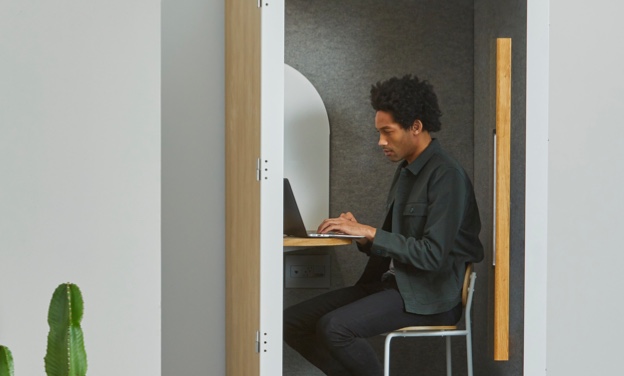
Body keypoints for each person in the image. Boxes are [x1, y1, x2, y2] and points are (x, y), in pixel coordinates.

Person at [283, 74, 484, 376]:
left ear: (415, 127)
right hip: (393, 284)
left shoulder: (447, 176)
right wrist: (362, 236)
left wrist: (370, 231)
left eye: (387, 133)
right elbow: (400, 242)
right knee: (291, 322)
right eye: (379, 132)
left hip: (431, 294)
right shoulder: (406, 171)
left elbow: (432, 255)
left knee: (335, 328)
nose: (381, 142)